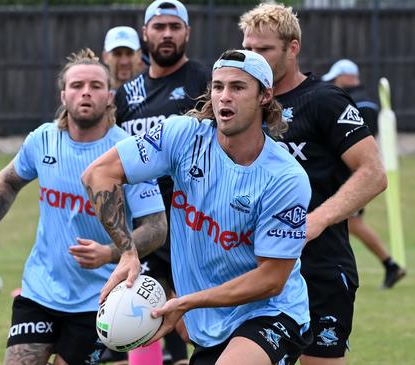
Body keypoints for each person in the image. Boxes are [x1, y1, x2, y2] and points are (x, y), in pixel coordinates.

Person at [83, 49, 313, 365]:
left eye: (238, 87)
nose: (224, 97)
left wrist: (188, 302)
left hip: (271, 312)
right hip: (209, 325)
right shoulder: (183, 135)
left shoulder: (285, 178)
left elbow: (271, 280)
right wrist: (126, 250)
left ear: (264, 95)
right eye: (217, 87)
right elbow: (99, 173)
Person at [0, 48, 167, 365]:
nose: (85, 92)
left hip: (100, 299)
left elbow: (156, 228)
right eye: (76, 86)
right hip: (40, 292)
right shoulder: (42, 140)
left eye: (95, 86)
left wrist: (110, 252)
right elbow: (8, 181)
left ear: (110, 96)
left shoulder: (130, 153)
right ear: (64, 94)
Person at [239, 4, 388, 364]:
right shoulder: (244, 104)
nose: (252, 57)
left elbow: (373, 173)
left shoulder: (324, 100)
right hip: (254, 271)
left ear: (292, 49)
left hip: (317, 269)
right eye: (247, 49)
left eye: (264, 49)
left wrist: (316, 221)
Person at [111, 1, 211, 363]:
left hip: (198, 226)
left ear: (187, 33)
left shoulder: (205, 82)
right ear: (145, 34)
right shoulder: (127, 94)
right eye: (159, 26)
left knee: (199, 323)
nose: (166, 34)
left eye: (174, 26)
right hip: (149, 226)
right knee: (140, 315)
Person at [322, 59, 406, 289]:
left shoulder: (361, 105)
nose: (335, 83)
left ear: (348, 76)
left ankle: (390, 265)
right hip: (350, 172)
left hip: (353, 173)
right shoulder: (356, 101)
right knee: (348, 222)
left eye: (337, 78)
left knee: (352, 222)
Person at [102, 26, 144, 92]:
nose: (124, 62)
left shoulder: (153, 95)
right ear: (105, 57)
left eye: (129, 54)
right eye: (117, 54)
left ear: (139, 55)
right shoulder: (97, 97)